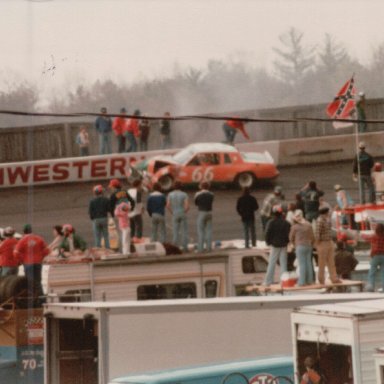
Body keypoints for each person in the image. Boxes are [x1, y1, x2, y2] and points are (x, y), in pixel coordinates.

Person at [13, 224, 50, 298]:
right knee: (38, 281)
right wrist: (41, 257)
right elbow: (47, 250)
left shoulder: (22, 240)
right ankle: (41, 297)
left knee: (29, 281)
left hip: (28, 263)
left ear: (24, 231)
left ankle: (32, 298)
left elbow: (15, 253)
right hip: (38, 263)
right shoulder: (39, 238)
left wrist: (22, 259)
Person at [263, 206, 291, 286]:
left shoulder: (271, 222)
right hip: (283, 245)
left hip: (274, 245)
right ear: (281, 213)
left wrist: (268, 242)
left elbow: (267, 233)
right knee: (283, 264)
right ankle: (284, 282)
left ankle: (268, 281)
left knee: (272, 263)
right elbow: (289, 234)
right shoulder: (286, 223)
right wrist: (287, 242)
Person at [315, 207, 341, 284]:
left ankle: (334, 278)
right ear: (325, 212)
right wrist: (318, 244)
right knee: (321, 263)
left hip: (329, 241)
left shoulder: (327, 219)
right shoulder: (320, 221)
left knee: (331, 262)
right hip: (322, 243)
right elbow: (317, 234)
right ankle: (321, 279)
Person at [289, 210, 315, 286]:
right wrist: (312, 244)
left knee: (302, 264)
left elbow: (290, 237)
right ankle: (310, 281)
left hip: (300, 246)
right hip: (308, 246)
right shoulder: (309, 225)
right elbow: (312, 237)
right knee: (309, 264)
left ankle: (302, 282)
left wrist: (294, 244)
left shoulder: (295, 227)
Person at [167, 181, 189, 252]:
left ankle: (175, 247)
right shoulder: (184, 194)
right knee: (184, 231)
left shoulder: (170, 194)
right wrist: (184, 211)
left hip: (175, 213)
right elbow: (187, 206)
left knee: (175, 231)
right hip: (182, 212)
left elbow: (168, 205)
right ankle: (185, 247)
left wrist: (172, 212)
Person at [363, 223, 384, 292]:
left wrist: (361, 235)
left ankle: (371, 286)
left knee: (372, 272)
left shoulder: (374, 236)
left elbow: (366, 238)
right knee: (383, 272)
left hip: (375, 255)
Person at [194, 181, 214, 253]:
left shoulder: (198, 194)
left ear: (201, 187)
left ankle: (201, 248)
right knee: (209, 231)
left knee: (201, 231)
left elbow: (196, 203)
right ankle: (209, 248)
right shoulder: (211, 194)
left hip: (202, 212)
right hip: (209, 212)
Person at [88, 184, 110, 249]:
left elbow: (90, 211)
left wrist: (92, 218)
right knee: (105, 234)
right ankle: (107, 247)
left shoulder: (92, 201)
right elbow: (109, 209)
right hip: (104, 218)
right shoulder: (106, 199)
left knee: (97, 235)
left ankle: (98, 247)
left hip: (96, 219)